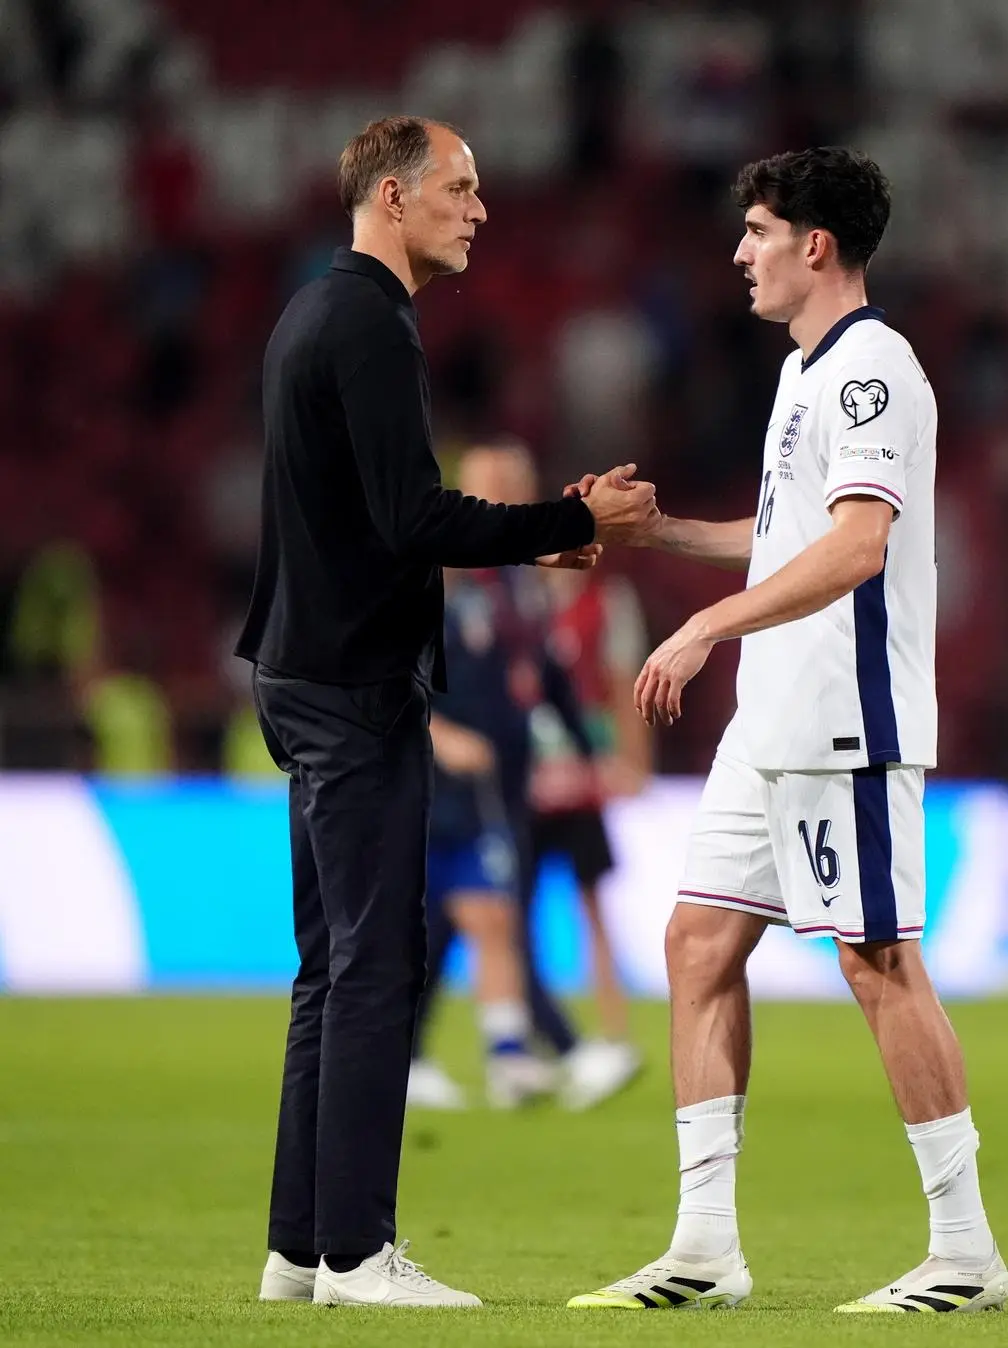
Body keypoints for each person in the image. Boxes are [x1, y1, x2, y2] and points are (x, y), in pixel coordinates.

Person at [567, 147, 1008, 1314]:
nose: (739, 253)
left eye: (758, 231)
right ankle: (703, 1246)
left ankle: (964, 1251)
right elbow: (785, 539)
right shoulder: (800, 372)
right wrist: (660, 536)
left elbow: (857, 545)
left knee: (876, 960)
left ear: (814, 245)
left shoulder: (872, 371)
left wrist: (703, 624)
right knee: (696, 944)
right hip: (766, 722)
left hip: (840, 719)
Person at [236, 115, 656, 1310]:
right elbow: (410, 517)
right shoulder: (369, 321)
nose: (478, 209)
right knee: (377, 966)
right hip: (354, 689)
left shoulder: (313, 312)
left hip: (301, 670)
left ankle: (298, 1249)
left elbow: (373, 519)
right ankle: (357, 1254)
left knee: (330, 969)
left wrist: (537, 540)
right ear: (390, 197)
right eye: (458, 187)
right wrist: (571, 519)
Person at [410, 441, 641, 1112]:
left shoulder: (521, 581)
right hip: (444, 778)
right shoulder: (439, 573)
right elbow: (396, 673)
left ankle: (466, 1054)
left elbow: (549, 677)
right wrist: (438, 735)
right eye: (493, 483)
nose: (507, 493)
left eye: (515, 481)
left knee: (472, 914)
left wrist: (586, 750)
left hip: (506, 780)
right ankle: (528, 1050)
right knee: (478, 911)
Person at [529, 563, 651, 1071]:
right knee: (512, 913)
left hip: (581, 779)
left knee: (593, 907)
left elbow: (622, 681)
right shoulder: (516, 595)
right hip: (527, 780)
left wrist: (633, 761)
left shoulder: (607, 600)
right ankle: (524, 1036)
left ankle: (613, 1031)